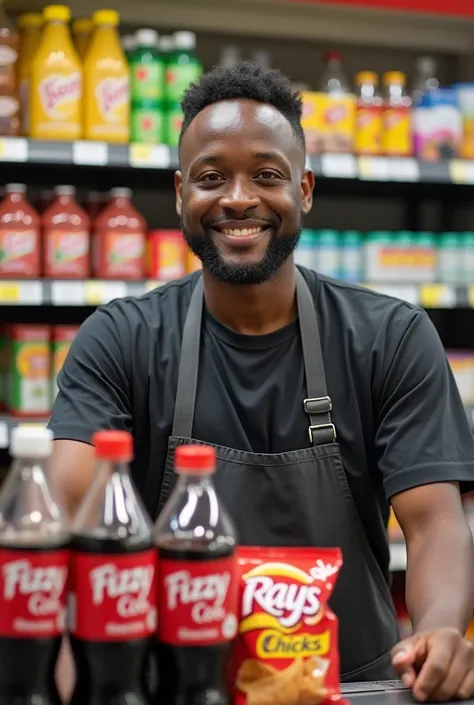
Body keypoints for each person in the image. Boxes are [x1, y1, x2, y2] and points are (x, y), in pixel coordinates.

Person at [49, 62, 474, 700]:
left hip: (351, 690)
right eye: (211, 177)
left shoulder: (391, 337)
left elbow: (435, 522)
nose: (239, 198)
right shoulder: (121, 339)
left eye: (267, 176)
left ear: (303, 189)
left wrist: (441, 630)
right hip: (174, 689)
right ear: (180, 193)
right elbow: (63, 524)